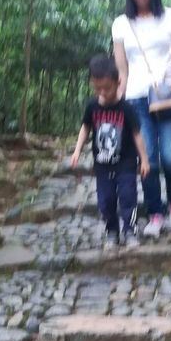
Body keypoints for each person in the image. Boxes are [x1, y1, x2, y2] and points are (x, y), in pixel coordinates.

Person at [112, 0, 171, 239]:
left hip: (167, 96)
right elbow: (121, 70)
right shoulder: (121, 24)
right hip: (136, 99)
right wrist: (114, 105)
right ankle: (155, 212)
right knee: (148, 161)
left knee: (170, 157)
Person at [71, 53, 151, 248]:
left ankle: (130, 230)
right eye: (98, 88)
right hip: (102, 165)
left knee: (127, 197)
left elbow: (137, 133)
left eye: (107, 88)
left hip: (126, 164)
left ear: (118, 82)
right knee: (105, 201)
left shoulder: (126, 108)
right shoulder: (92, 106)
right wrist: (77, 150)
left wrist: (145, 160)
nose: (103, 93)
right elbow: (85, 128)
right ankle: (111, 231)